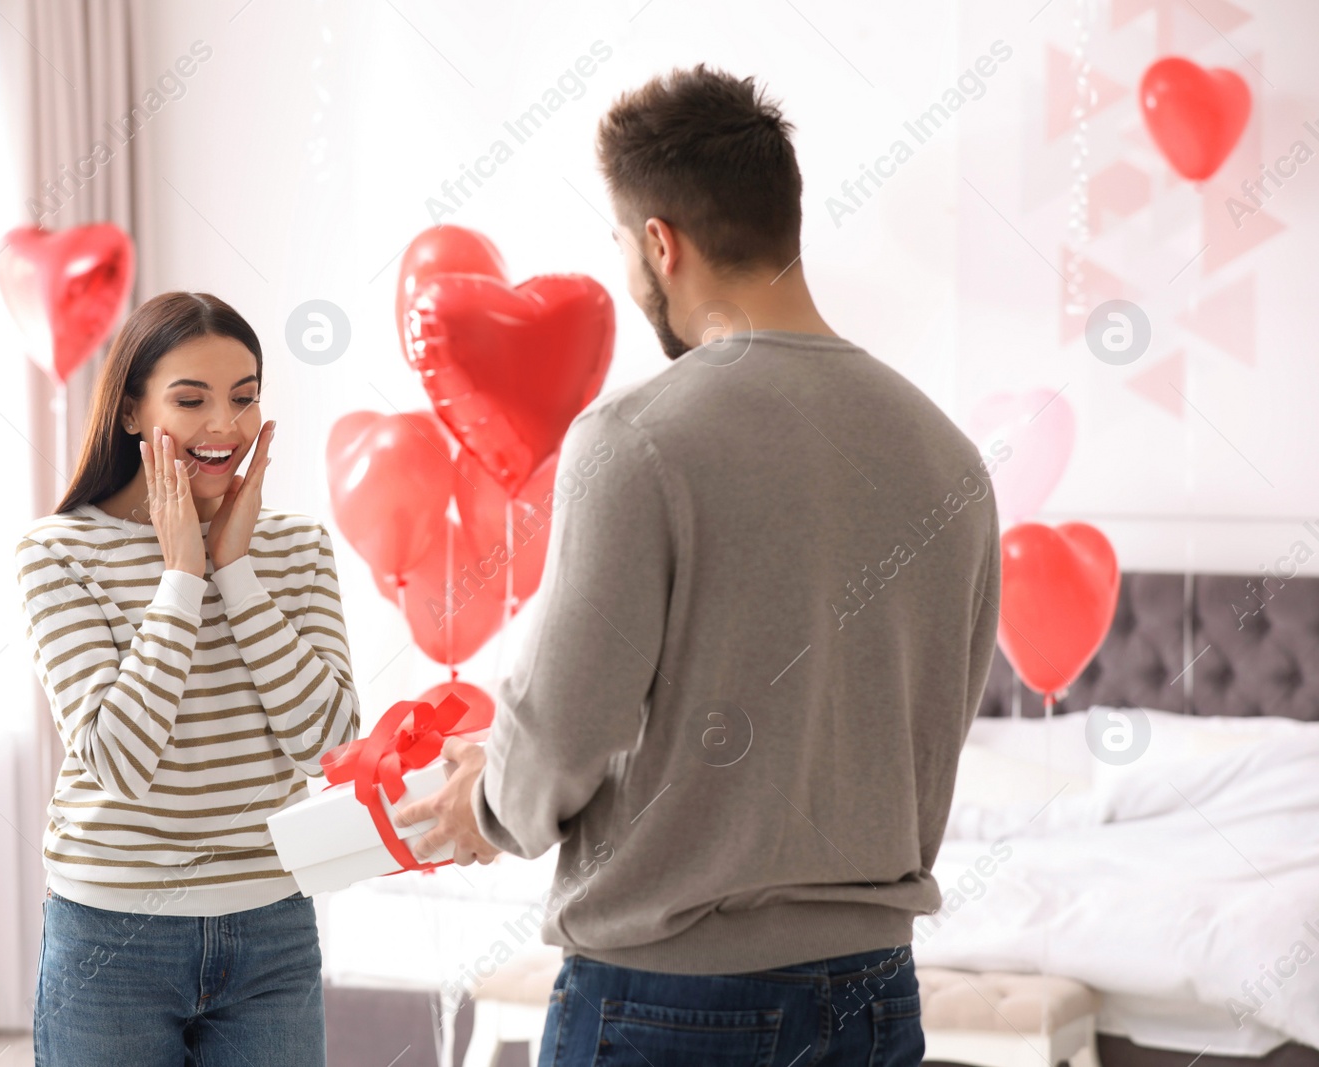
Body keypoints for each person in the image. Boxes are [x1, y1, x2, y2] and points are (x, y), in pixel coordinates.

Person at [394, 64, 1003, 1066]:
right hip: (873, 995)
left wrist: (490, 798)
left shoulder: (635, 437)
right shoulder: (949, 458)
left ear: (658, 244)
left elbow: (562, 724)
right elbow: (927, 730)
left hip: (669, 1000)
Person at [15, 291, 358, 1066]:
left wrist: (235, 571)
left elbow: (330, 748)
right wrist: (181, 575)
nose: (224, 428)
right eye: (191, 399)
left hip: (270, 923)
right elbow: (121, 761)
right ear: (132, 410)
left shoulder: (297, 547)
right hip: (112, 933)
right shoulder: (58, 553)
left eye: (244, 398)